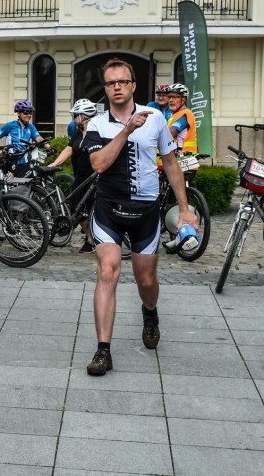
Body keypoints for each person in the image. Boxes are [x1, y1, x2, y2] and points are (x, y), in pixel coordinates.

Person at [83, 58, 198, 377]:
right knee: (108, 272)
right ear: (105, 89)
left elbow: (172, 163)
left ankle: (150, 313)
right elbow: (98, 164)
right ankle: (103, 351)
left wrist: (185, 208)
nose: (117, 87)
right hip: (109, 209)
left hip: (146, 212)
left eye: (122, 81)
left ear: (133, 86)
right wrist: (126, 131)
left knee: (146, 280)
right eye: (110, 83)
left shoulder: (157, 119)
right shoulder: (97, 125)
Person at [49, 99, 98, 253]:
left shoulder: (96, 132)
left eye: (75, 115)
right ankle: (89, 236)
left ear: (83, 116)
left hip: (94, 177)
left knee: (93, 210)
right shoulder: (78, 132)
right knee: (75, 207)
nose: (74, 118)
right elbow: (69, 149)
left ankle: (93, 240)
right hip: (80, 176)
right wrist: (54, 164)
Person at [0, 100, 51, 176]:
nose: (28, 115)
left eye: (30, 112)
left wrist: (49, 148)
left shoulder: (31, 127)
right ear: (18, 113)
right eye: (25, 112)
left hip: (25, 161)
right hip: (11, 161)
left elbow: (39, 139)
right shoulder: (10, 125)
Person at [165, 83, 197, 154]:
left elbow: (169, 134)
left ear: (183, 99)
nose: (171, 100)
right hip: (179, 156)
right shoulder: (175, 115)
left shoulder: (185, 114)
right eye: (169, 97)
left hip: (183, 157)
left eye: (174, 97)